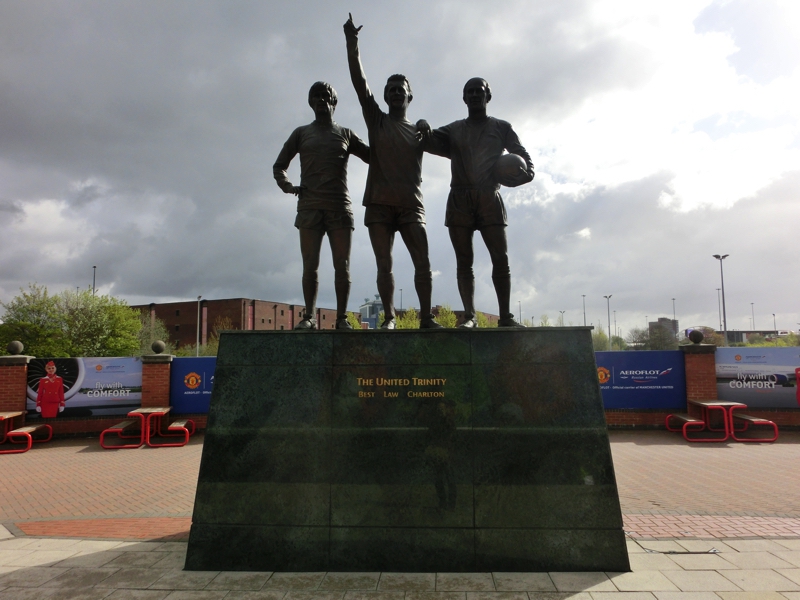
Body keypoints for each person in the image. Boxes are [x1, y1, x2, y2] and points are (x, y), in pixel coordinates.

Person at [344, 13, 442, 329]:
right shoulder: (377, 120)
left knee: (423, 262)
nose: (397, 93)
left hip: (411, 204)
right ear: (386, 96)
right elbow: (360, 83)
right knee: (383, 264)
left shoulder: (420, 131)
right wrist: (352, 43)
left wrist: (428, 126)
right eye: (392, 90)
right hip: (379, 204)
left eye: (401, 89)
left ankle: (426, 317)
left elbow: (453, 146)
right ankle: (389, 318)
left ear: (409, 96)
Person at [428, 77, 534, 327]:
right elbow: (428, 139)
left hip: (489, 197)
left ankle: (505, 317)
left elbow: (523, 158)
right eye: (471, 92)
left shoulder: (502, 127)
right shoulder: (454, 129)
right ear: (464, 98)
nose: (475, 95)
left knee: (501, 258)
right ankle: (470, 316)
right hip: (460, 199)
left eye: (480, 91)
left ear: (488, 96)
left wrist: (523, 176)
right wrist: (422, 125)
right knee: (464, 262)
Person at [274, 81, 370, 330]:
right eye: (315, 96)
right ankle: (309, 316)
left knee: (343, 266)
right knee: (310, 266)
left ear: (334, 102)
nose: (321, 100)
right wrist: (287, 186)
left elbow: (374, 157)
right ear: (310, 102)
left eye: (325, 96)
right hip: (309, 208)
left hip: (340, 207)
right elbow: (279, 166)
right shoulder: (301, 133)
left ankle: (342, 318)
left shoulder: (346, 134)